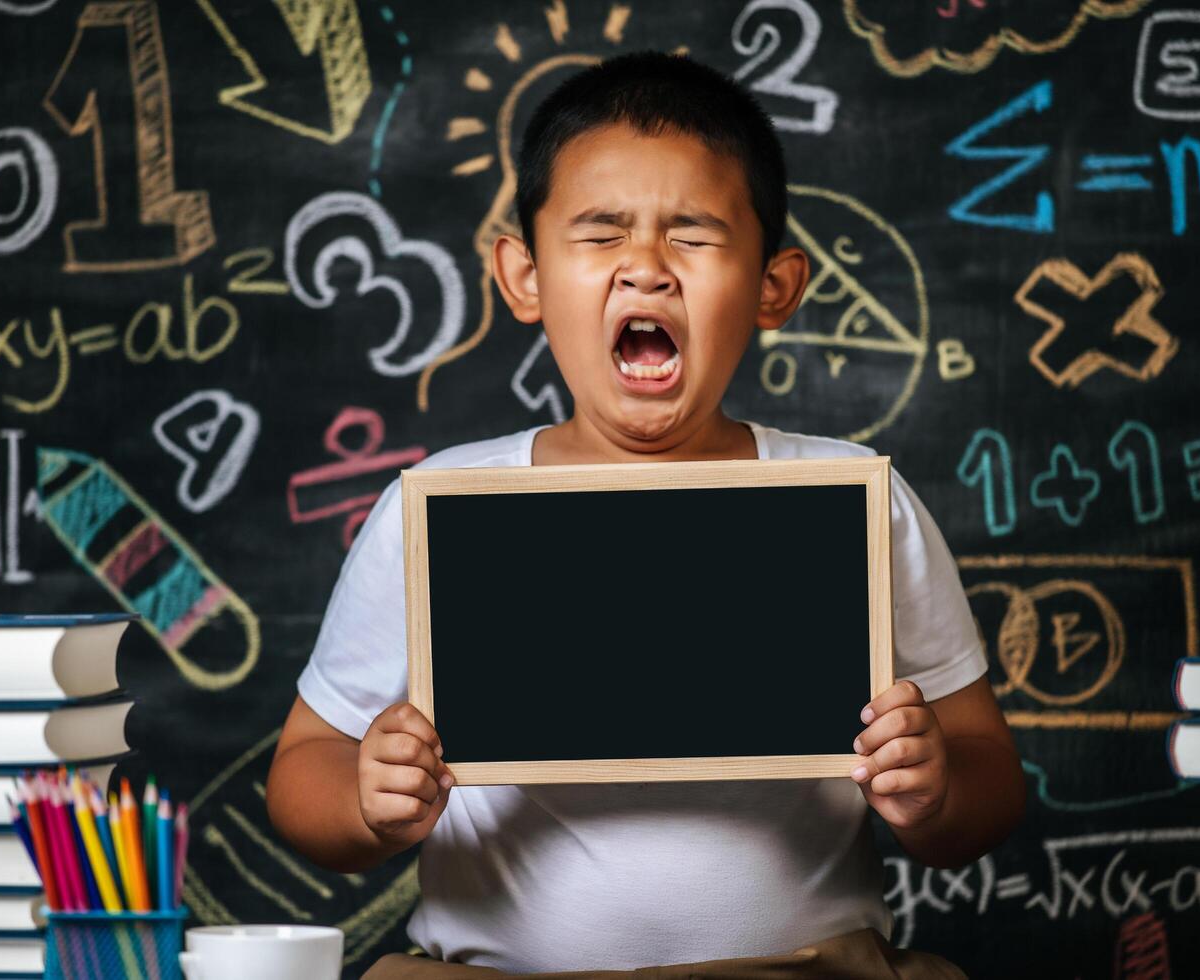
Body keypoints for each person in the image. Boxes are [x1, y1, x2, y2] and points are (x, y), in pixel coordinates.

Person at [266, 50, 1024, 979]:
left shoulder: (854, 497)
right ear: (523, 276)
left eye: (694, 235)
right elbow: (304, 771)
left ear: (774, 286)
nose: (646, 270)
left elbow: (987, 775)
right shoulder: (435, 507)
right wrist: (364, 802)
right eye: (600, 233)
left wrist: (935, 791)